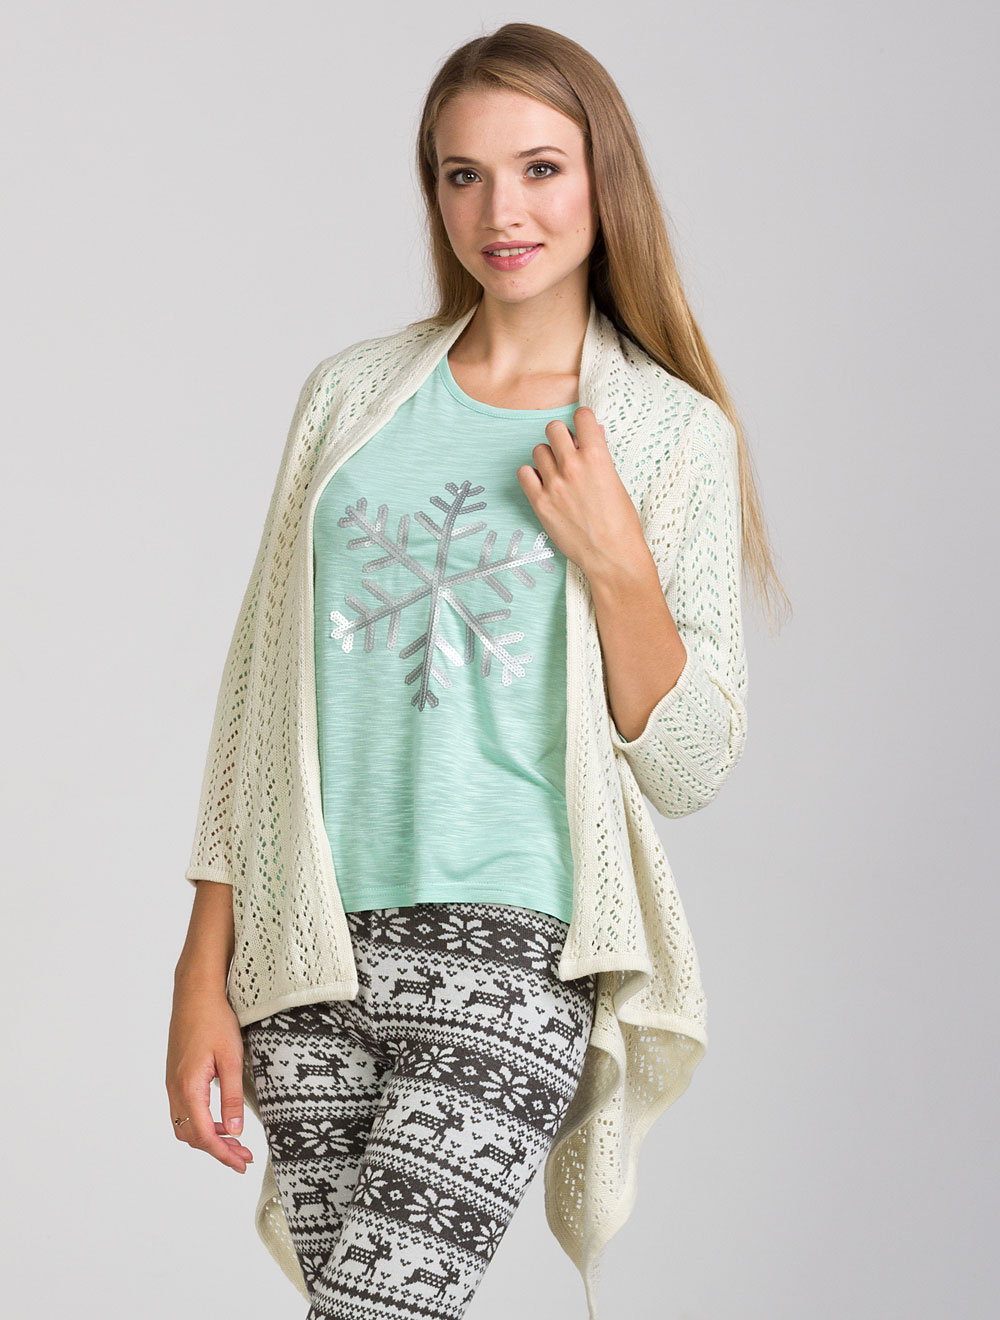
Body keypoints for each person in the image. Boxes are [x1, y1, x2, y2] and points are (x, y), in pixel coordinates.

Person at [166, 21, 788, 1320]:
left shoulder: (667, 434)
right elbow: (257, 696)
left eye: (541, 169)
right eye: (465, 175)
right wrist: (199, 970)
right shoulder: (351, 398)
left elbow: (692, 766)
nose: (502, 211)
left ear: (604, 179)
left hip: (512, 944)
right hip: (308, 950)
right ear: (435, 191)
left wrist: (618, 564)